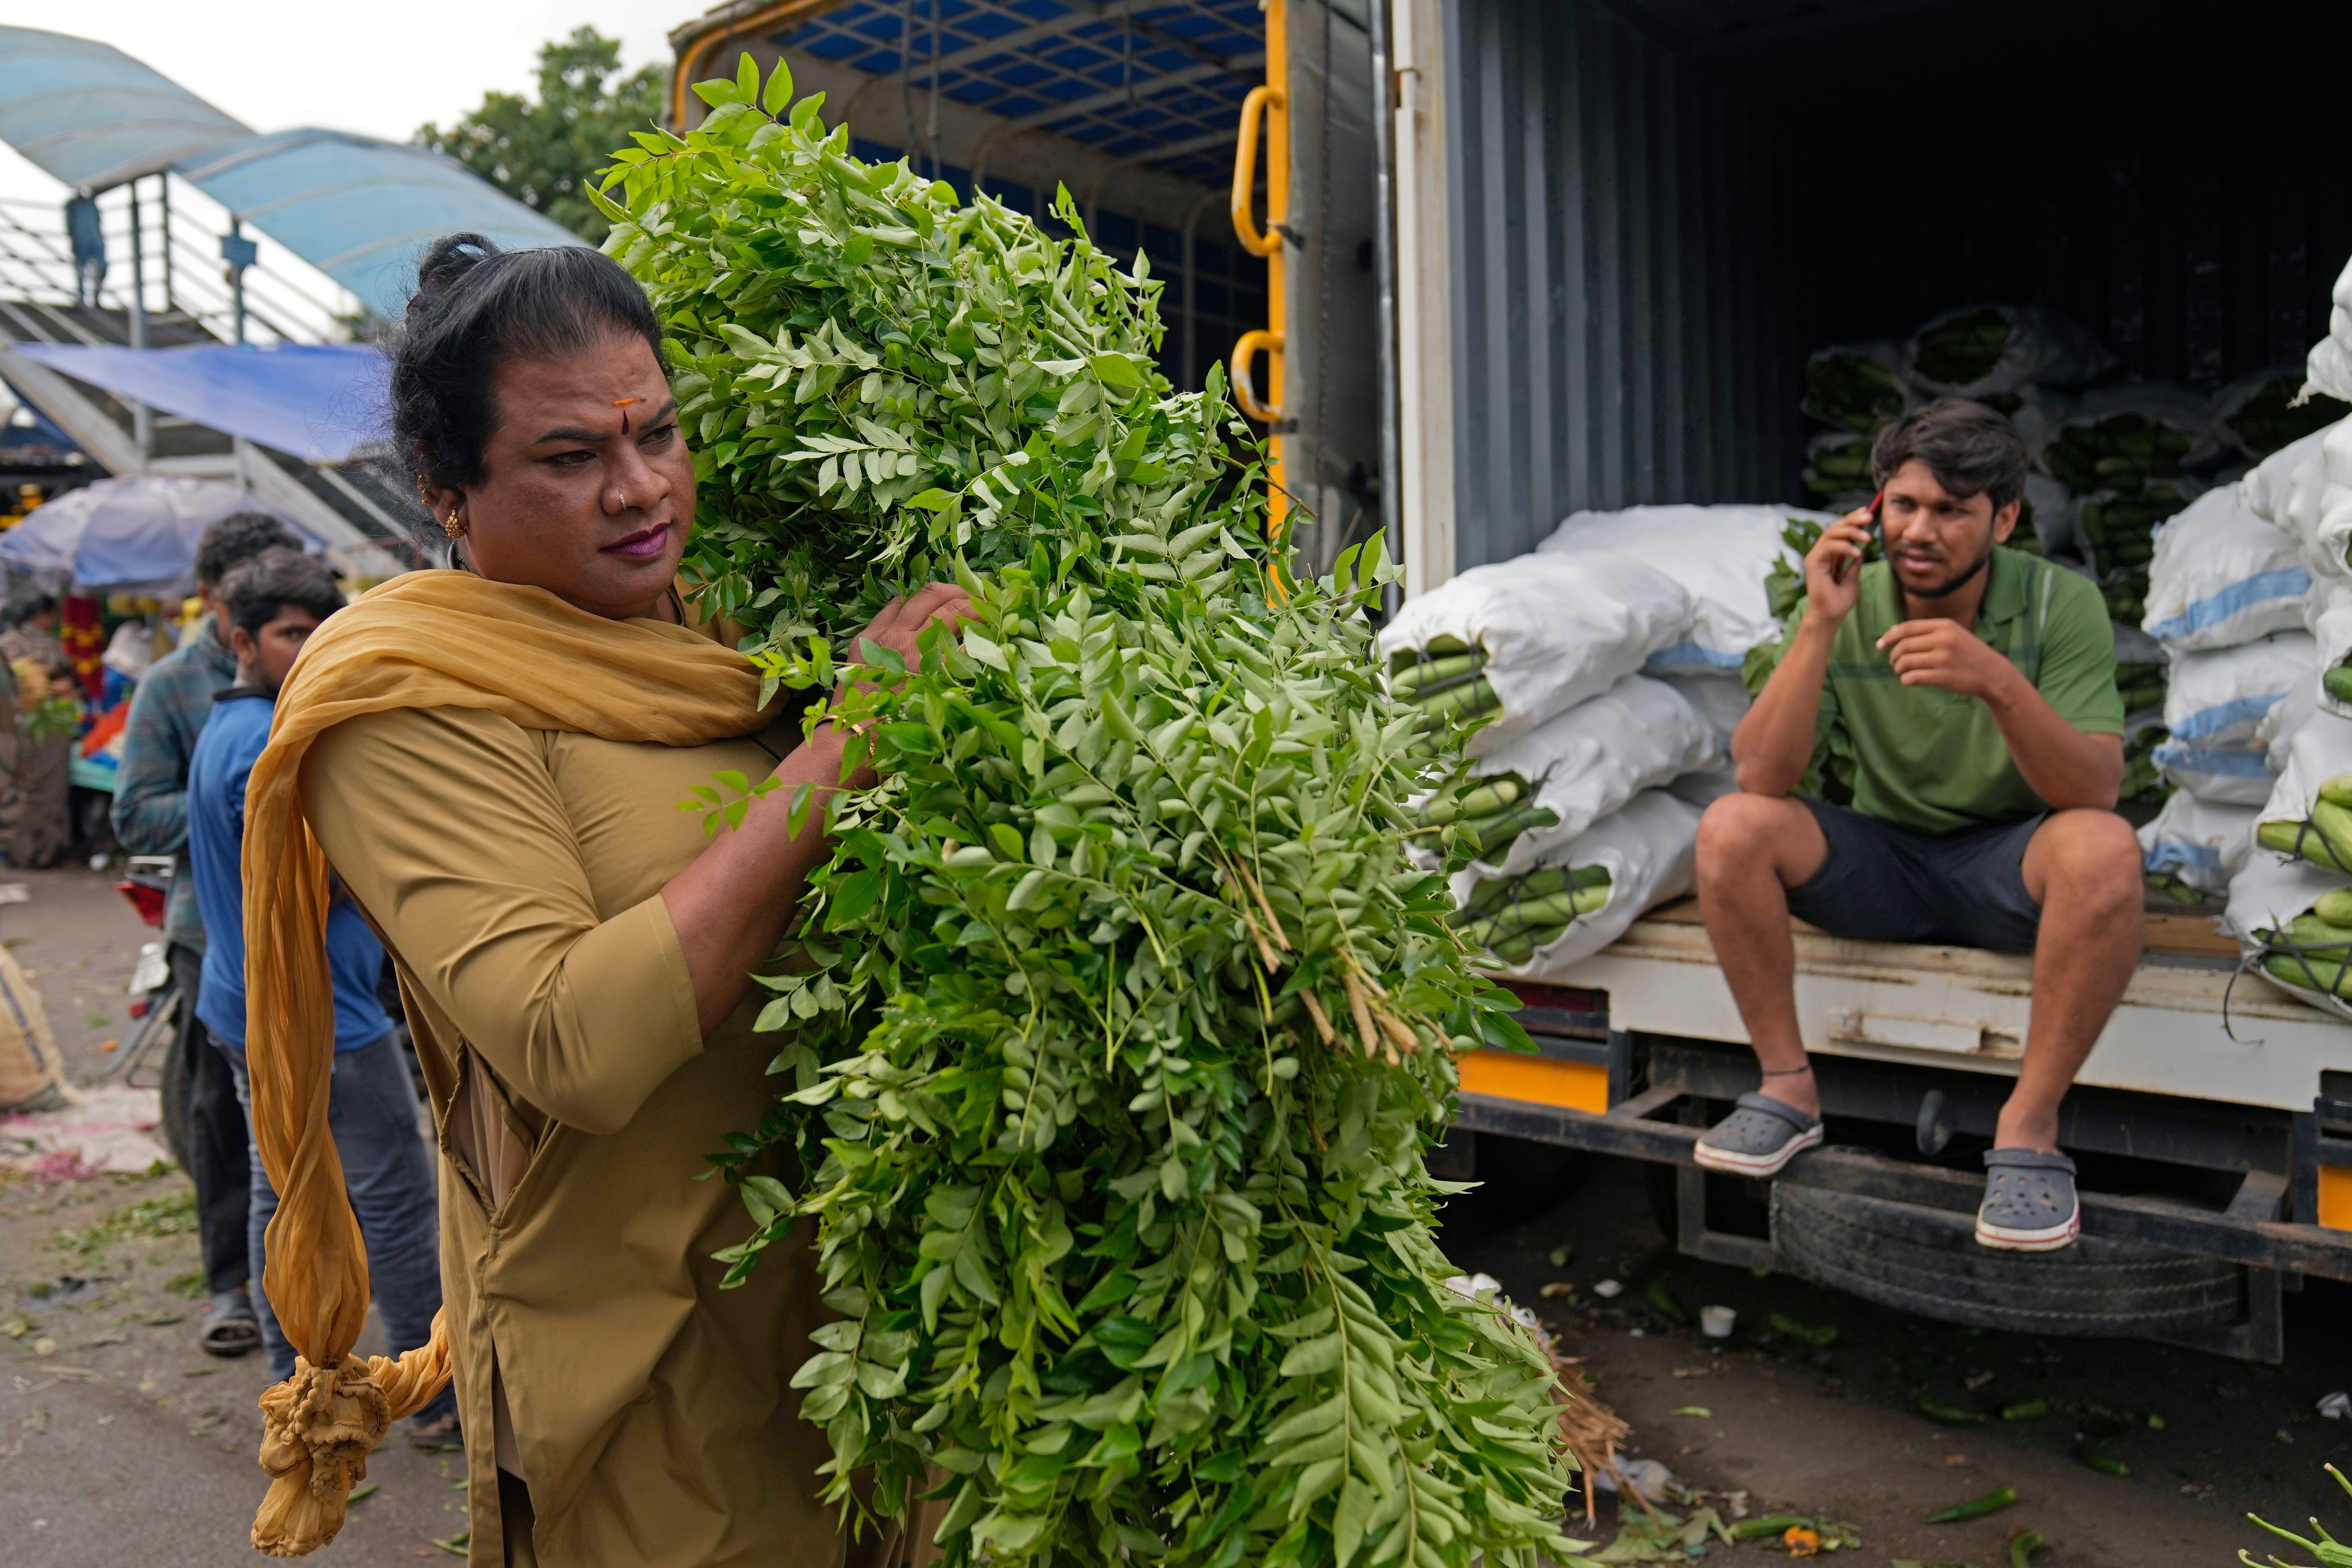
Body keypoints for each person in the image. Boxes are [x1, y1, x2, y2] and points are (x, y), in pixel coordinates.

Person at [231, 234, 970, 1565]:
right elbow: (576, 1039)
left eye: (659, 436)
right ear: (448, 491)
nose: (638, 489)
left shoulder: (696, 643)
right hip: (648, 1362)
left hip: (846, 1328)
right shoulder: (405, 701)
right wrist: (842, 742)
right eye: (571, 457)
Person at [1692, 399, 2142, 1253]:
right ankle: (1786, 1090)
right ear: (1873, 510)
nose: (1920, 529)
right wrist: (1819, 623)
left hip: (2005, 866)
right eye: (1902, 505)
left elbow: (2093, 790)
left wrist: (1997, 683)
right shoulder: (1843, 598)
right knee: (1729, 826)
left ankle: (2026, 1129)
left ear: (2002, 519)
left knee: (2102, 848)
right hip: (1884, 864)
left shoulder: (2058, 604)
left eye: (1950, 510)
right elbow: (1761, 775)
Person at [183, 549, 454, 1429]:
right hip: (321, 1020)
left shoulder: (228, 727)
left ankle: (294, 1384)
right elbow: (332, 871)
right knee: (396, 1197)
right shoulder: (267, 741)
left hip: (244, 1006)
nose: (307, 649)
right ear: (240, 639)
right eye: (289, 633)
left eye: (317, 631)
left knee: (284, 1193)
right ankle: (435, 1398)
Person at [111, 512, 305, 1359]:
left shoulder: (313, 660)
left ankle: (317, 1274)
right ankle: (230, 1282)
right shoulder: (172, 687)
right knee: (224, 1115)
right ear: (214, 604)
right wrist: (230, 797)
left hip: (316, 925)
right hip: (212, 930)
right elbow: (132, 811)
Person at [0, 594, 73, 867]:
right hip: (39, 730)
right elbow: (65, 680)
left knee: (26, 792)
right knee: (42, 793)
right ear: (42, 615)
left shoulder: (8, 642)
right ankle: (38, 854)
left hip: (25, 729)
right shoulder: (45, 644)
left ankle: (23, 853)